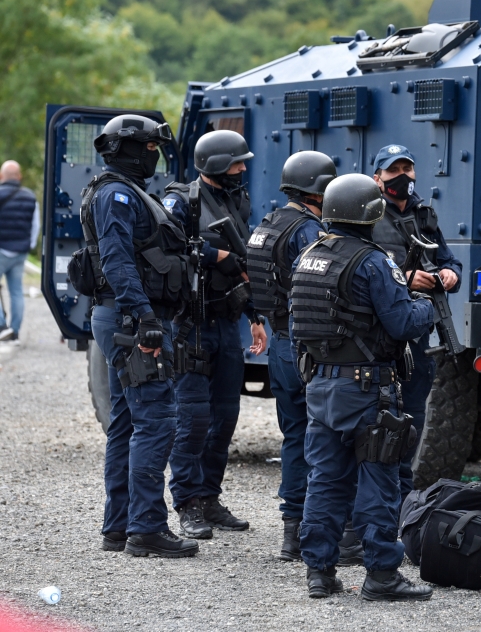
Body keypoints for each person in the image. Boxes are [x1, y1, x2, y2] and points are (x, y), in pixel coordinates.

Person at [290, 173, 436, 601]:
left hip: (321, 388)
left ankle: (319, 572)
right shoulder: (374, 262)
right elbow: (403, 323)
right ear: (370, 213)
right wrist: (424, 306)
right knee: (378, 483)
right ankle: (382, 576)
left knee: (325, 481)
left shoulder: (309, 256)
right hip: (366, 391)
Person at [81, 114, 197, 557]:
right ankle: (146, 528)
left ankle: (120, 527)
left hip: (124, 317)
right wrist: (145, 316)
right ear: (129, 150)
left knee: (128, 424)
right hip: (132, 321)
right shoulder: (116, 195)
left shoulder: (124, 192)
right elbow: (116, 260)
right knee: (156, 421)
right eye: (150, 147)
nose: (155, 155)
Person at [161, 130, 267, 539]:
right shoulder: (180, 201)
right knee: (193, 419)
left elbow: (246, 266)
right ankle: (187, 504)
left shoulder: (235, 201)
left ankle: (209, 497)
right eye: (237, 163)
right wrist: (215, 255)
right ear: (217, 165)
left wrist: (255, 315)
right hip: (192, 325)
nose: (243, 169)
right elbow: (167, 247)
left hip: (226, 323)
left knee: (224, 418)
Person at [246, 151, 333, 561]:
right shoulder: (307, 230)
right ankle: (321, 531)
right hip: (307, 345)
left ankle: (291, 533)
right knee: (326, 439)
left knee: (294, 436)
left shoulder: (269, 223)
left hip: (280, 344)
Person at [371, 145, 461, 491]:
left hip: (418, 336)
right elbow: (359, 268)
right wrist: (405, 278)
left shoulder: (424, 215)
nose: (403, 177)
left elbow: (449, 259)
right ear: (377, 179)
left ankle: (401, 496)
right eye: (394, 171)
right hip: (380, 336)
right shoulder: (368, 215)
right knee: (378, 420)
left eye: (408, 169)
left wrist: (450, 275)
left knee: (413, 416)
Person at [0, 160, 39, 343]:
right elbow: (35, 226)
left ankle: (1, 326)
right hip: (20, 252)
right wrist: (28, 246)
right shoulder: (30, 197)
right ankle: (14, 332)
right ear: (19, 176)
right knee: (16, 291)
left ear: (1, 177)